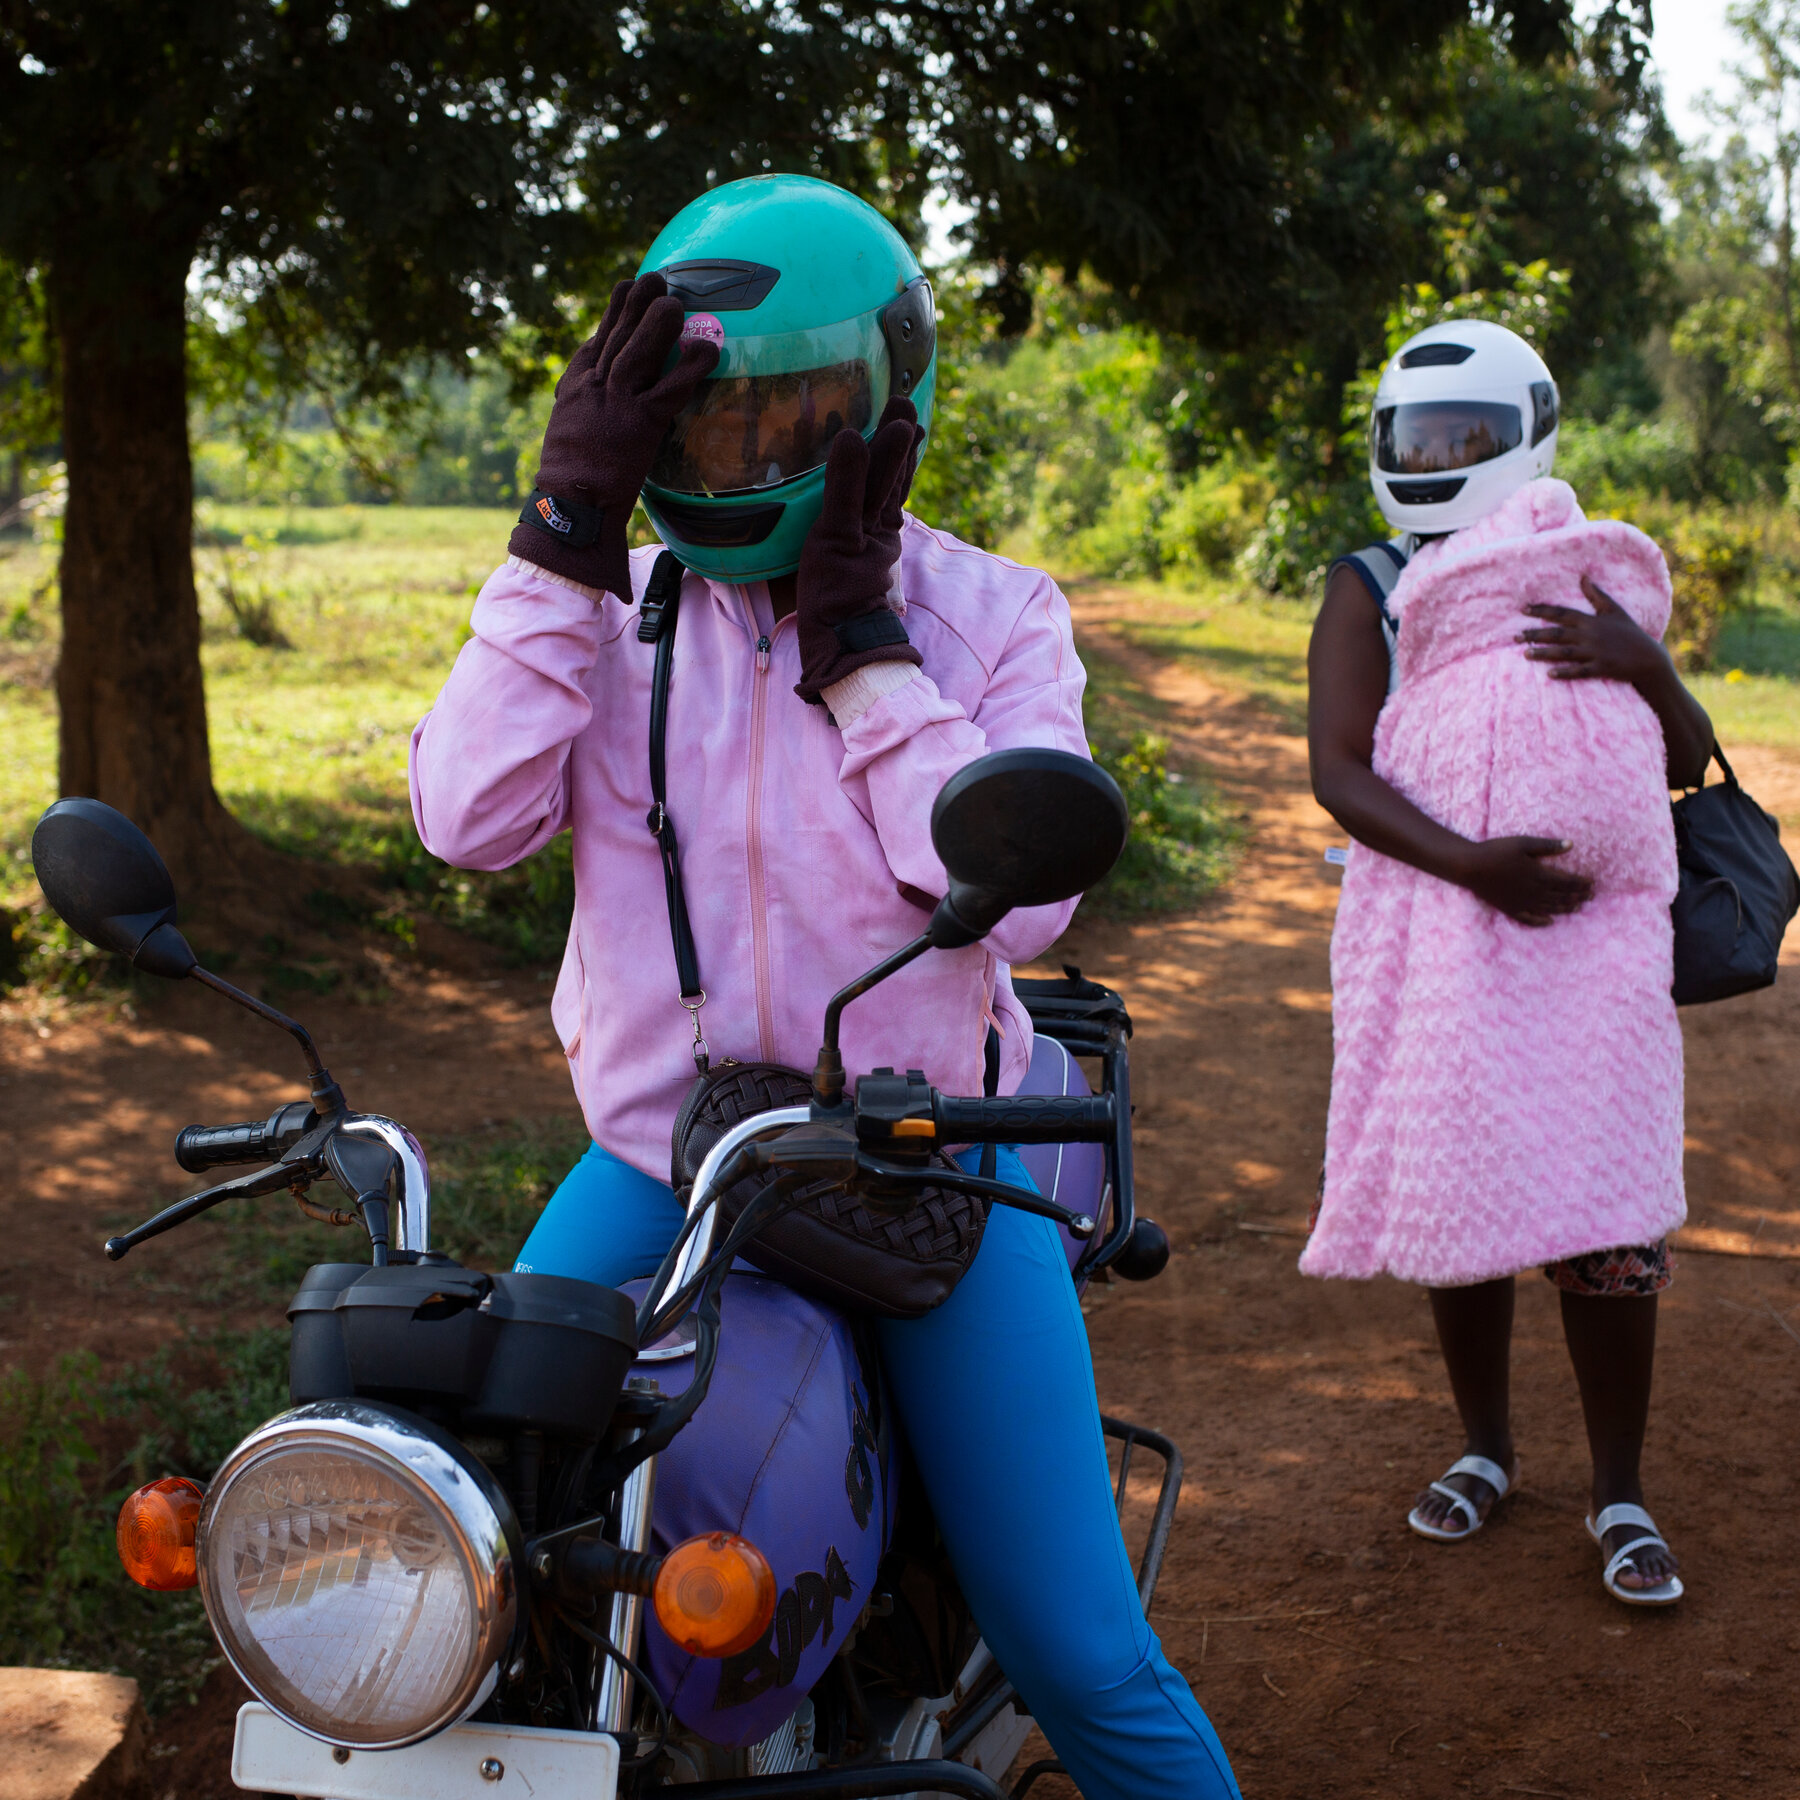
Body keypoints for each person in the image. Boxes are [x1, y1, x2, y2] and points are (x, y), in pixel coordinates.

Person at [410, 174, 1239, 1800]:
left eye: (793, 416)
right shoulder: (609, 618)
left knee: (1078, 1647)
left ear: (888, 406)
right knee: (485, 1553)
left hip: (930, 1169)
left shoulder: (988, 615)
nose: (743, 459)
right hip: (667, 1166)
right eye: (703, 418)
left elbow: (1022, 900)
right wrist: (563, 540)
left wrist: (862, 649)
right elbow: (468, 821)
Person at [1302, 319, 1713, 1608]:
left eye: (1462, 440)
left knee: (1610, 1213)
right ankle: (1485, 1448)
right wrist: (1472, 864)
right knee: (1464, 1197)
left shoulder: (1579, 567)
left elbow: (1689, 761)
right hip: (1446, 938)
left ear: (1526, 434)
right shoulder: (1366, 582)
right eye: (1420, 440)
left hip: (1589, 951)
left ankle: (1620, 1492)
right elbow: (1339, 773)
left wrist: (1648, 665)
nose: (1438, 460)